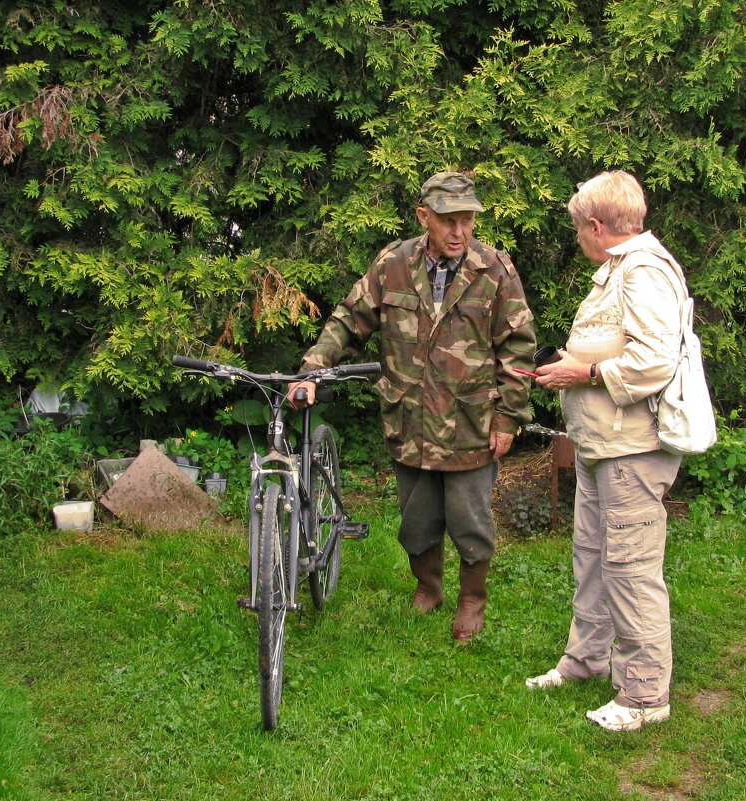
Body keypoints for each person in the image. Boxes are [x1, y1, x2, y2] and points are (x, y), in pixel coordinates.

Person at [287, 171, 536, 643]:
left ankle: (471, 599)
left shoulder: (495, 270)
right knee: (417, 519)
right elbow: (348, 319)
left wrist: (508, 417)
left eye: (467, 220)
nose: (460, 232)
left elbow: (519, 350)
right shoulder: (393, 265)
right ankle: (429, 586)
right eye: (449, 221)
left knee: (470, 519)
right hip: (411, 419)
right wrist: (314, 365)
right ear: (425, 217)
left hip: (471, 423)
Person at [525, 170, 687, 731]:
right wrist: (569, 371)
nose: (577, 239)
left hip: (633, 450)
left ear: (596, 225)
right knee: (592, 557)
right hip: (602, 445)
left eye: (578, 229)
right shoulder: (617, 269)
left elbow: (655, 360)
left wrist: (584, 372)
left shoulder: (644, 271)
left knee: (630, 567)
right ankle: (587, 660)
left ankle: (644, 696)